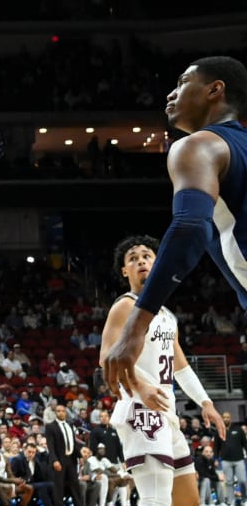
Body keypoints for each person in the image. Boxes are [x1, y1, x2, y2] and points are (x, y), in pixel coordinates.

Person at [104, 56, 247, 394]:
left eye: (182, 83)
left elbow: (189, 227)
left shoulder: (198, 145)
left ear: (215, 90)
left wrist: (137, 326)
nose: (170, 94)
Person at [100, 235, 224, 506]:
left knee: (188, 499)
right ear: (125, 270)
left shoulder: (165, 314)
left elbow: (181, 366)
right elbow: (107, 356)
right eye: (133, 258)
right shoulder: (125, 306)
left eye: (147, 256)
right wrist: (140, 384)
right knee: (155, 499)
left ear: (158, 265)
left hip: (166, 413)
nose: (141, 261)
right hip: (140, 409)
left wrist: (205, 402)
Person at [43, 403, 92, 506]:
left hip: (71, 459)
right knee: (58, 487)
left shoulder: (70, 425)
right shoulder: (50, 426)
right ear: (56, 413)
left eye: (63, 411)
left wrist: (79, 456)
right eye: (58, 411)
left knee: (75, 485)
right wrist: (54, 460)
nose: (61, 413)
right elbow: (50, 445)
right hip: (59, 459)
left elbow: (73, 443)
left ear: (65, 412)